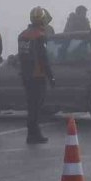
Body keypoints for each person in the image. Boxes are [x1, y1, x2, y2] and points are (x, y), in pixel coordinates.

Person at [18, 7, 55, 144]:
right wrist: (50, 76)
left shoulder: (22, 35)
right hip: (37, 75)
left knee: (31, 105)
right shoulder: (40, 36)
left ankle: (32, 133)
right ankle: (34, 134)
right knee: (36, 107)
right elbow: (43, 58)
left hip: (26, 75)